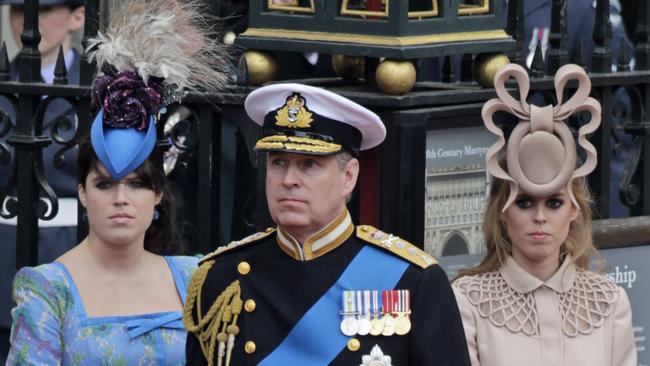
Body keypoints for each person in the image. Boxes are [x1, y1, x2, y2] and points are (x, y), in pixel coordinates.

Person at [5, 0, 229, 364]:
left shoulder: (195, 280)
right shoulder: (48, 290)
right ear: (82, 192)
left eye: (137, 184)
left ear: (158, 195)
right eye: (106, 184)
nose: (121, 198)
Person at [184, 83, 471, 366]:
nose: (289, 180)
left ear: (349, 176)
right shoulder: (223, 278)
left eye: (309, 164)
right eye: (279, 162)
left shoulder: (411, 280)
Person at [452, 63, 636, 366]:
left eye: (554, 204)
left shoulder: (610, 301)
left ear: (575, 210)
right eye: (524, 203)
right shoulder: (467, 300)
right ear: (501, 210)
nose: (540, 217)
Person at [0, 1, 86, 355]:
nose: (28, 21)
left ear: (78, 16)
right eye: (16, 9)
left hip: (71, 244)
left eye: (45, 9)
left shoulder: (100, 79)